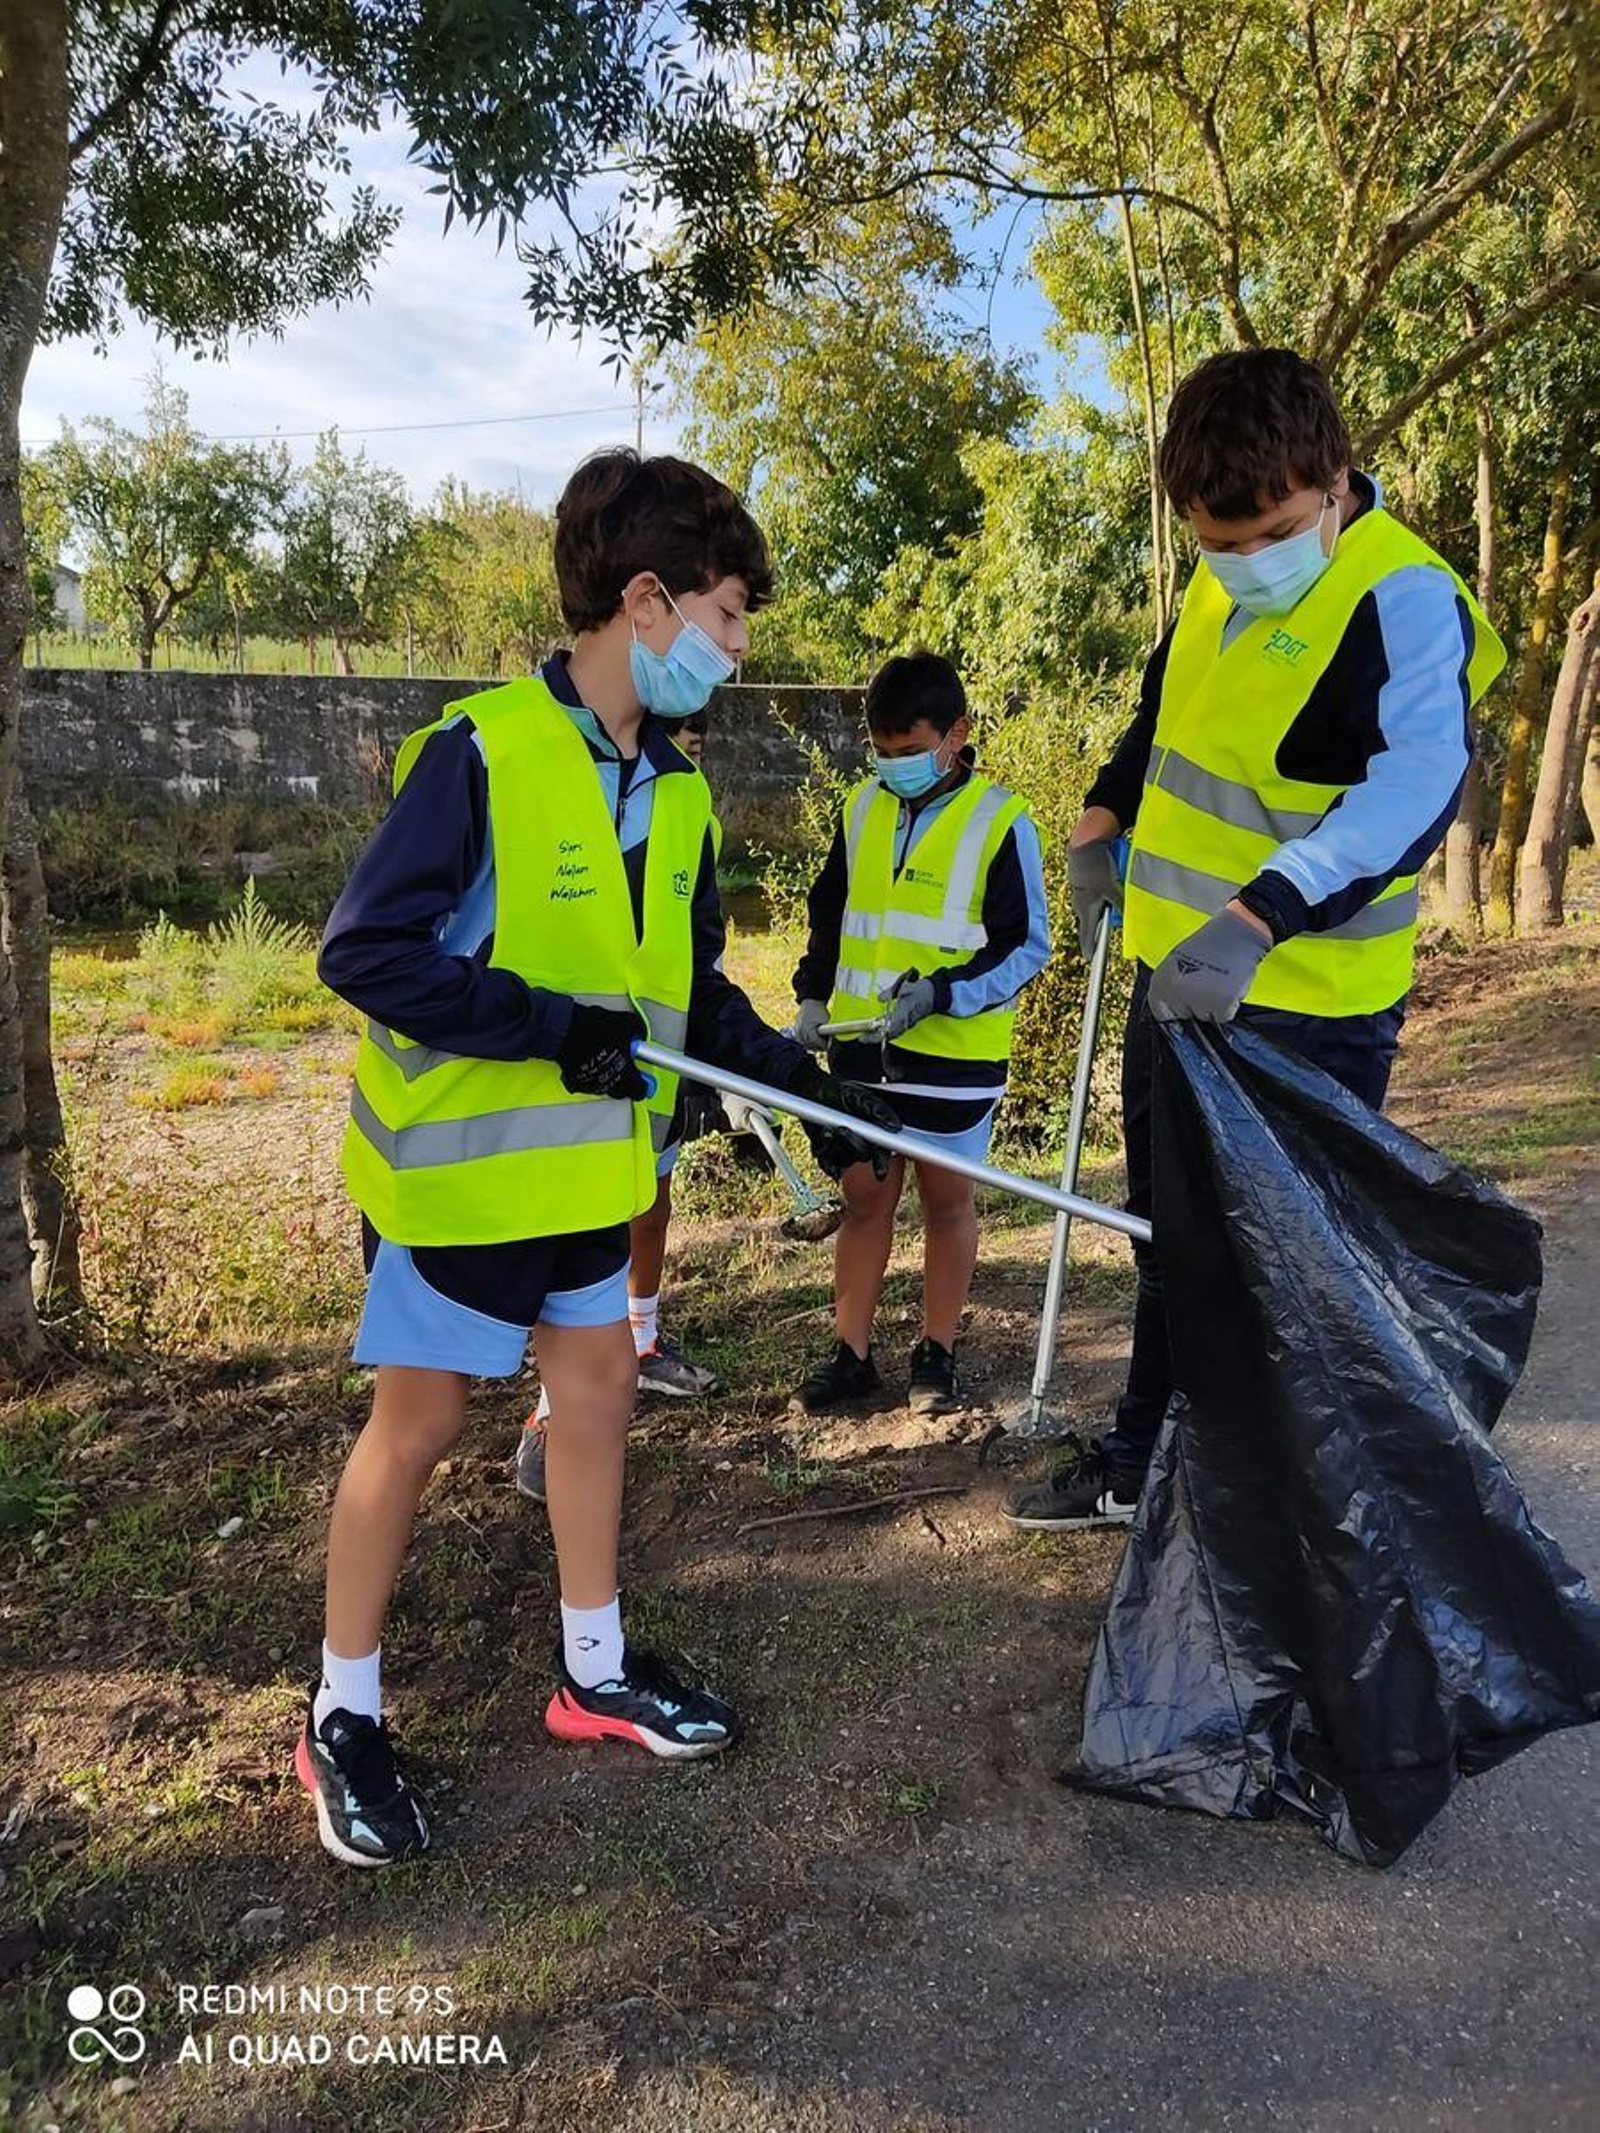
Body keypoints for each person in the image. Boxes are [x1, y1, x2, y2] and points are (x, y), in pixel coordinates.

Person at [301, 450, 897, 1867]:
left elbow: (682, 994)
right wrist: (541, 1026)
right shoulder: (483, 752)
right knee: (423, 1429)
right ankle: (342, 1711)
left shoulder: (675, 793)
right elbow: (362, 951)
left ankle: (593, 1667)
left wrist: (800, 1080)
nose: (739, 651)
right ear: (648, 599)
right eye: (732, 614)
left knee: (597, 1402)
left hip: (595, 1181)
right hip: (464, 1184)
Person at [1006, 347, 1506, 1530]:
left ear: (1334, 474)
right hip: (1171, 981)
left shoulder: (1402, 597)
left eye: (1268, 531)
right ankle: (1143, 1465)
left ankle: (1282, 1517)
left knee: (1289, 1272)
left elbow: (1416, 787)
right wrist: (1098, 815)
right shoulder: (1223, 581)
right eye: (1215, 543)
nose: (1241, 564)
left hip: (1303, 1005)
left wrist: (1262, 913)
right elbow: (1165, 717)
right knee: (1170, 1244)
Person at [790, 651, 1050, 1417]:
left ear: (956, 734)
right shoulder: (859, 809)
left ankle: (936, 1353)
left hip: (953, 1061)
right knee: (865, 1196)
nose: (893, 765)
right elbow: (829, 913)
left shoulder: (1003, 820)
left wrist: (945, 991)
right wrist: (810, 995)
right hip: (862, 1050)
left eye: (909, 750)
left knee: (947, 1202)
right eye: (881, 750)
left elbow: (1026, 944)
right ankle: (851, 1353)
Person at [514, 707, 721, 1505]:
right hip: (566, 1075)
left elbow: (698, 952)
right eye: (677, 736)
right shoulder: (543, 783)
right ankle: (547, 1412)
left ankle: (640, 1340)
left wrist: (704, 1064)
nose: (684, 751)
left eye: (695, 740)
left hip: (653, 1073)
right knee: (574, 1241)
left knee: (647, 1203)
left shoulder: (689, 801)